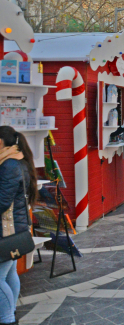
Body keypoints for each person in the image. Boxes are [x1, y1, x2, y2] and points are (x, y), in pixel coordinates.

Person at [0, 127, 37, 325]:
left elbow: (2, 201)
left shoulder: (8, 165)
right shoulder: (16, 161)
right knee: (9, 273)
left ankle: (6, 319)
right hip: (14, 228)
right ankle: (10, 312)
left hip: (7, 230)